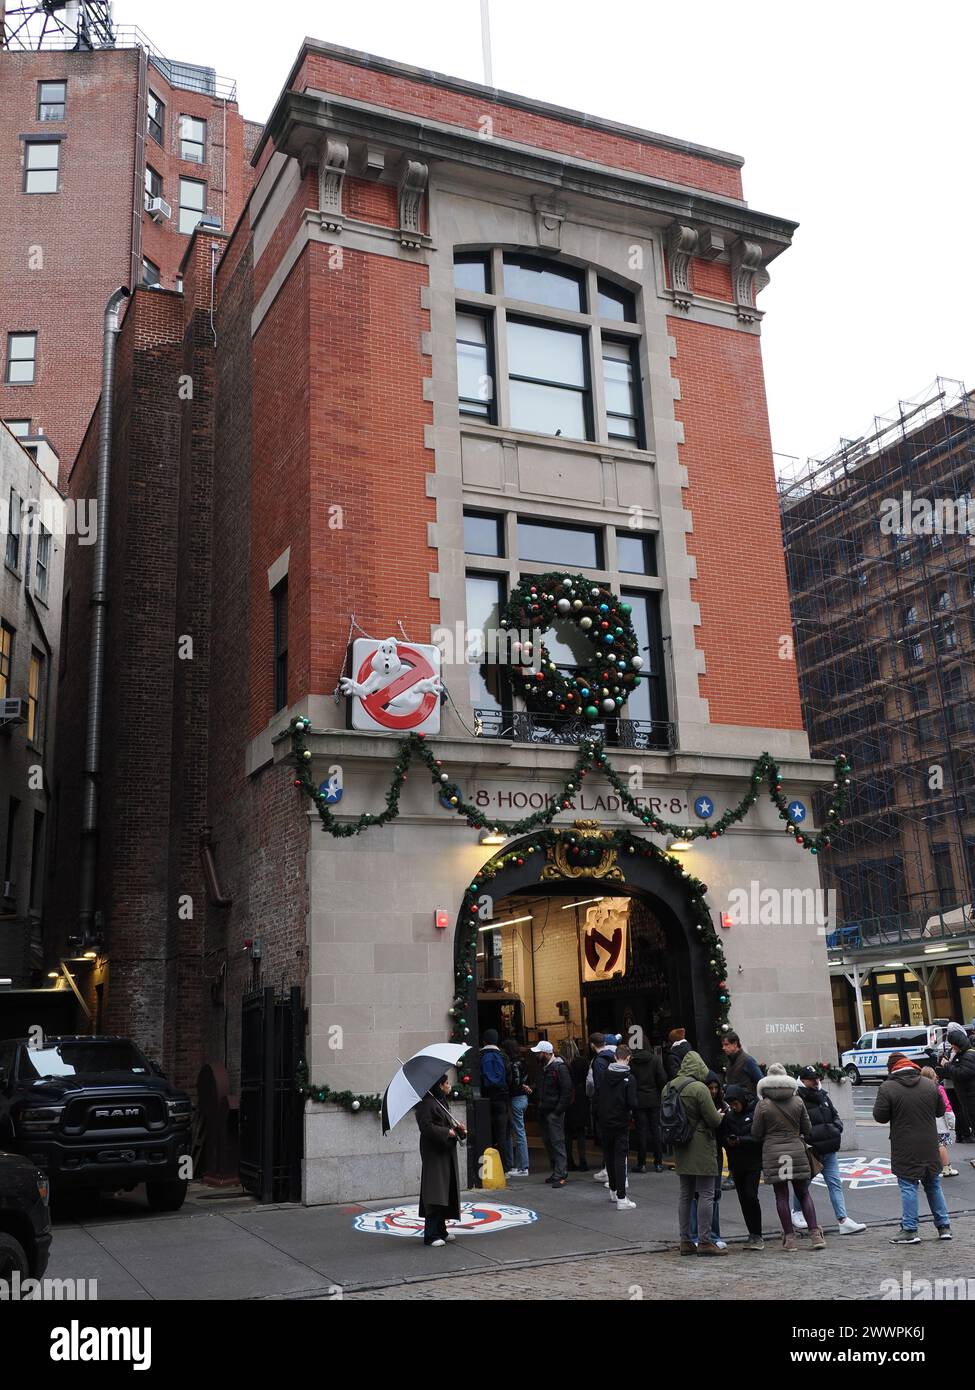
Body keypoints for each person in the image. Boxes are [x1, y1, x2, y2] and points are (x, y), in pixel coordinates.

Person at [874, 1052, 951, 1244]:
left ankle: (909, 1229)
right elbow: (940, 1111)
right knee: (933, 1184)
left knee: (908, 1185)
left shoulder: (888, 1087)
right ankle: (944, 1227)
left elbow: (880, 1117)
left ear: (892, 1069)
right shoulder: (929, 1084)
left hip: (904, 1145)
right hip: (929, 1143)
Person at [752, 1063, 825, 1252]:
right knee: (803, 1193)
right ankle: (815, 1235)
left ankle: (790, 1238)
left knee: (781, 1196)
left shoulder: (763, 1105)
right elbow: (807, 1129)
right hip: (796, 1149)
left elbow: (756, 1132)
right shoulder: (798, 1101)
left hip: (774, 1152)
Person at [661, 1048, 727, 1255]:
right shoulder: (699, 1088)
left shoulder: (668, 1087)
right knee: (706, 1193)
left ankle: (685, 1241)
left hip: (680, 1144)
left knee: (685, 1194)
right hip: (701, 1145)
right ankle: (706, 1241)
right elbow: (713, 1120)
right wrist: (719, 1115)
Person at [789, 1066, 866, 1235]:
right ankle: (797, 1211)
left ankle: (843, 1219)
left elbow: (834, 1114)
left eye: (817, 1078)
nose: (817, 1081)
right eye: (812, 1079)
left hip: (828, 1148)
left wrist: (836, 1127)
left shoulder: (822, 1095)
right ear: (802, 1080)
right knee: (804, 1184)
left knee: (834, 1183)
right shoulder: (798, 1098)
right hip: (812, 1150)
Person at [416, 1074, 466, 1247]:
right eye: (446, 1083)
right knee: (435, 1191)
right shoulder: (425, 1105)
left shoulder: (440, 1102)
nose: (449, 1085)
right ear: (439, 1085)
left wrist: (458, 1130)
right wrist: (447, 1133)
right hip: (434, 1154)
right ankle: (430, 1234)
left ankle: (441, 1230)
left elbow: (446, 1124)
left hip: (445, 1153)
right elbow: (426, 1127)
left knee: (444, 1191)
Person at [595, 1043, 639, 1209]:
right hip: (621, 1122)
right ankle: (622, 1197)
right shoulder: (629, 1078)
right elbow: (632, 1102)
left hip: (605, 1121)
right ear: (628, 1058)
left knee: (609, 1156)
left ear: (615, 1057)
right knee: (620, 1158)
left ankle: (613, 1191)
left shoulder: (605, 1075)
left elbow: (598, 1095)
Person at [721, 1084, 765, 1250]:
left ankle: (757, 1233)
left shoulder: (754, 1114)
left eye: (735, 1103)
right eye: (731, 1104)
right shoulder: (729, 1117)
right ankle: (752, 1233)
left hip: (752, 1163)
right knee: (743, 1199)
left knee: (751, 1196)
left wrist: (741, 1140)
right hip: (736, 1163)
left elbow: (758, 1137)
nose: (734, 1107)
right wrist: (729, 1141)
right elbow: (723, 1137)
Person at [690, 1070, 727, 1248]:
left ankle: (712, 1234)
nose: (713, 1091)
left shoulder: (722, 1104)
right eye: (709, 1088)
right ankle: (698, 1234)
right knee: (699, 1194)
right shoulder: (699, 1106)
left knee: (713, 1194)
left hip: (713, 1153)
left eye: (715, 1088)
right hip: (703, 1153)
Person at [533, 1040, 571, 1187]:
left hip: (553, 1112)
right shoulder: (545, 1068)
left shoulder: (559, 1068)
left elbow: (566, 1091)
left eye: (539, 1053)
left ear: (547, 1053)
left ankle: (561, 1172)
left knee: (557, 1142)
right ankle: (557, 1171)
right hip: (545, 1110)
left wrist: (557, 1111)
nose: (537, 1055)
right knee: (549, 1142)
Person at [477, 1028, 513, 1176]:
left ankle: (486, 1169)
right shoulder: (503, 1056)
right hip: (501, 1099)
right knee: (502, 1135)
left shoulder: (479, 1055)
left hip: (485, 1099)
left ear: (484, 1040)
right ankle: (504, 1168)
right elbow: (509, 1077)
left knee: (486, 1134)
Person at [629, 1039, 666, 1172]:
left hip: (639, 1100)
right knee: (656, 1130)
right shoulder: (655, 1060)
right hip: (654, 1099)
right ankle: (659, 1162)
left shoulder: (632, 1062)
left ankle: (642, 1163)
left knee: (641, 1132)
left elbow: (630, 1081)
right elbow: (662, 1078)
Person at [586, 1033, 618, 1182]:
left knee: (607, 1140)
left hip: (604, 1104)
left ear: (592, 1044)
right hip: (617, 1103)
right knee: (617, 1140)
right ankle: (613, 1173)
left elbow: (593, 1084)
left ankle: (611, 1174)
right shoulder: (616, 1057)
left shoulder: (597, 1061)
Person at [921, 1065, 957, 1177]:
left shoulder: (920, 1089)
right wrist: (952, 1122)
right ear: (933, 1076)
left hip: (925, 1123)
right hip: (939, 1122)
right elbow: (947, 1106)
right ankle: (946, 1167)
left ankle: (930, 1167)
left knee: (929, 1146)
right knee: (941, 1145)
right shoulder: (938, 1089)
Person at [502, 1038, 530, 1177]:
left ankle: (523, 1167)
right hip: (523, 1098)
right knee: (519, 1131)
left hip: (515, 1098)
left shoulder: (512, 1064)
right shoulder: (523, 1062)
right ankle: (520, 1165)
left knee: (519, 1132)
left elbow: (514, 1082)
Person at [943, 1022, 975, 1144]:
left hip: (967, 1092)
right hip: (958, 1089)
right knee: (960, 1111)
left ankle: (964, 1133)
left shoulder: (967, 1054)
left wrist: (947, 1065)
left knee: (963, 1112)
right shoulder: (955, 1051)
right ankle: (961, 1133)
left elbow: (962, 1073)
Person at [565, 1042, 591, 1172]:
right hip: (581, 1097)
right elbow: (589, 1079)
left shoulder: (562, 1063)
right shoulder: (582, 1062)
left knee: (567, 1133)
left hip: (568, 1098)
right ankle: (583, 1161)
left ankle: (569, 1161)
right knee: (581, 1132)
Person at [720, 1032, 764, 1098]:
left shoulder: (748, 1060)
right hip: (734, 1102)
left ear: (735, 1044)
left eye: (726, 1044)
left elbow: (761, 1082)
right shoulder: (729, 1062)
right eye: (723, 1045)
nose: (723, 1048)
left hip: (749, 1103)